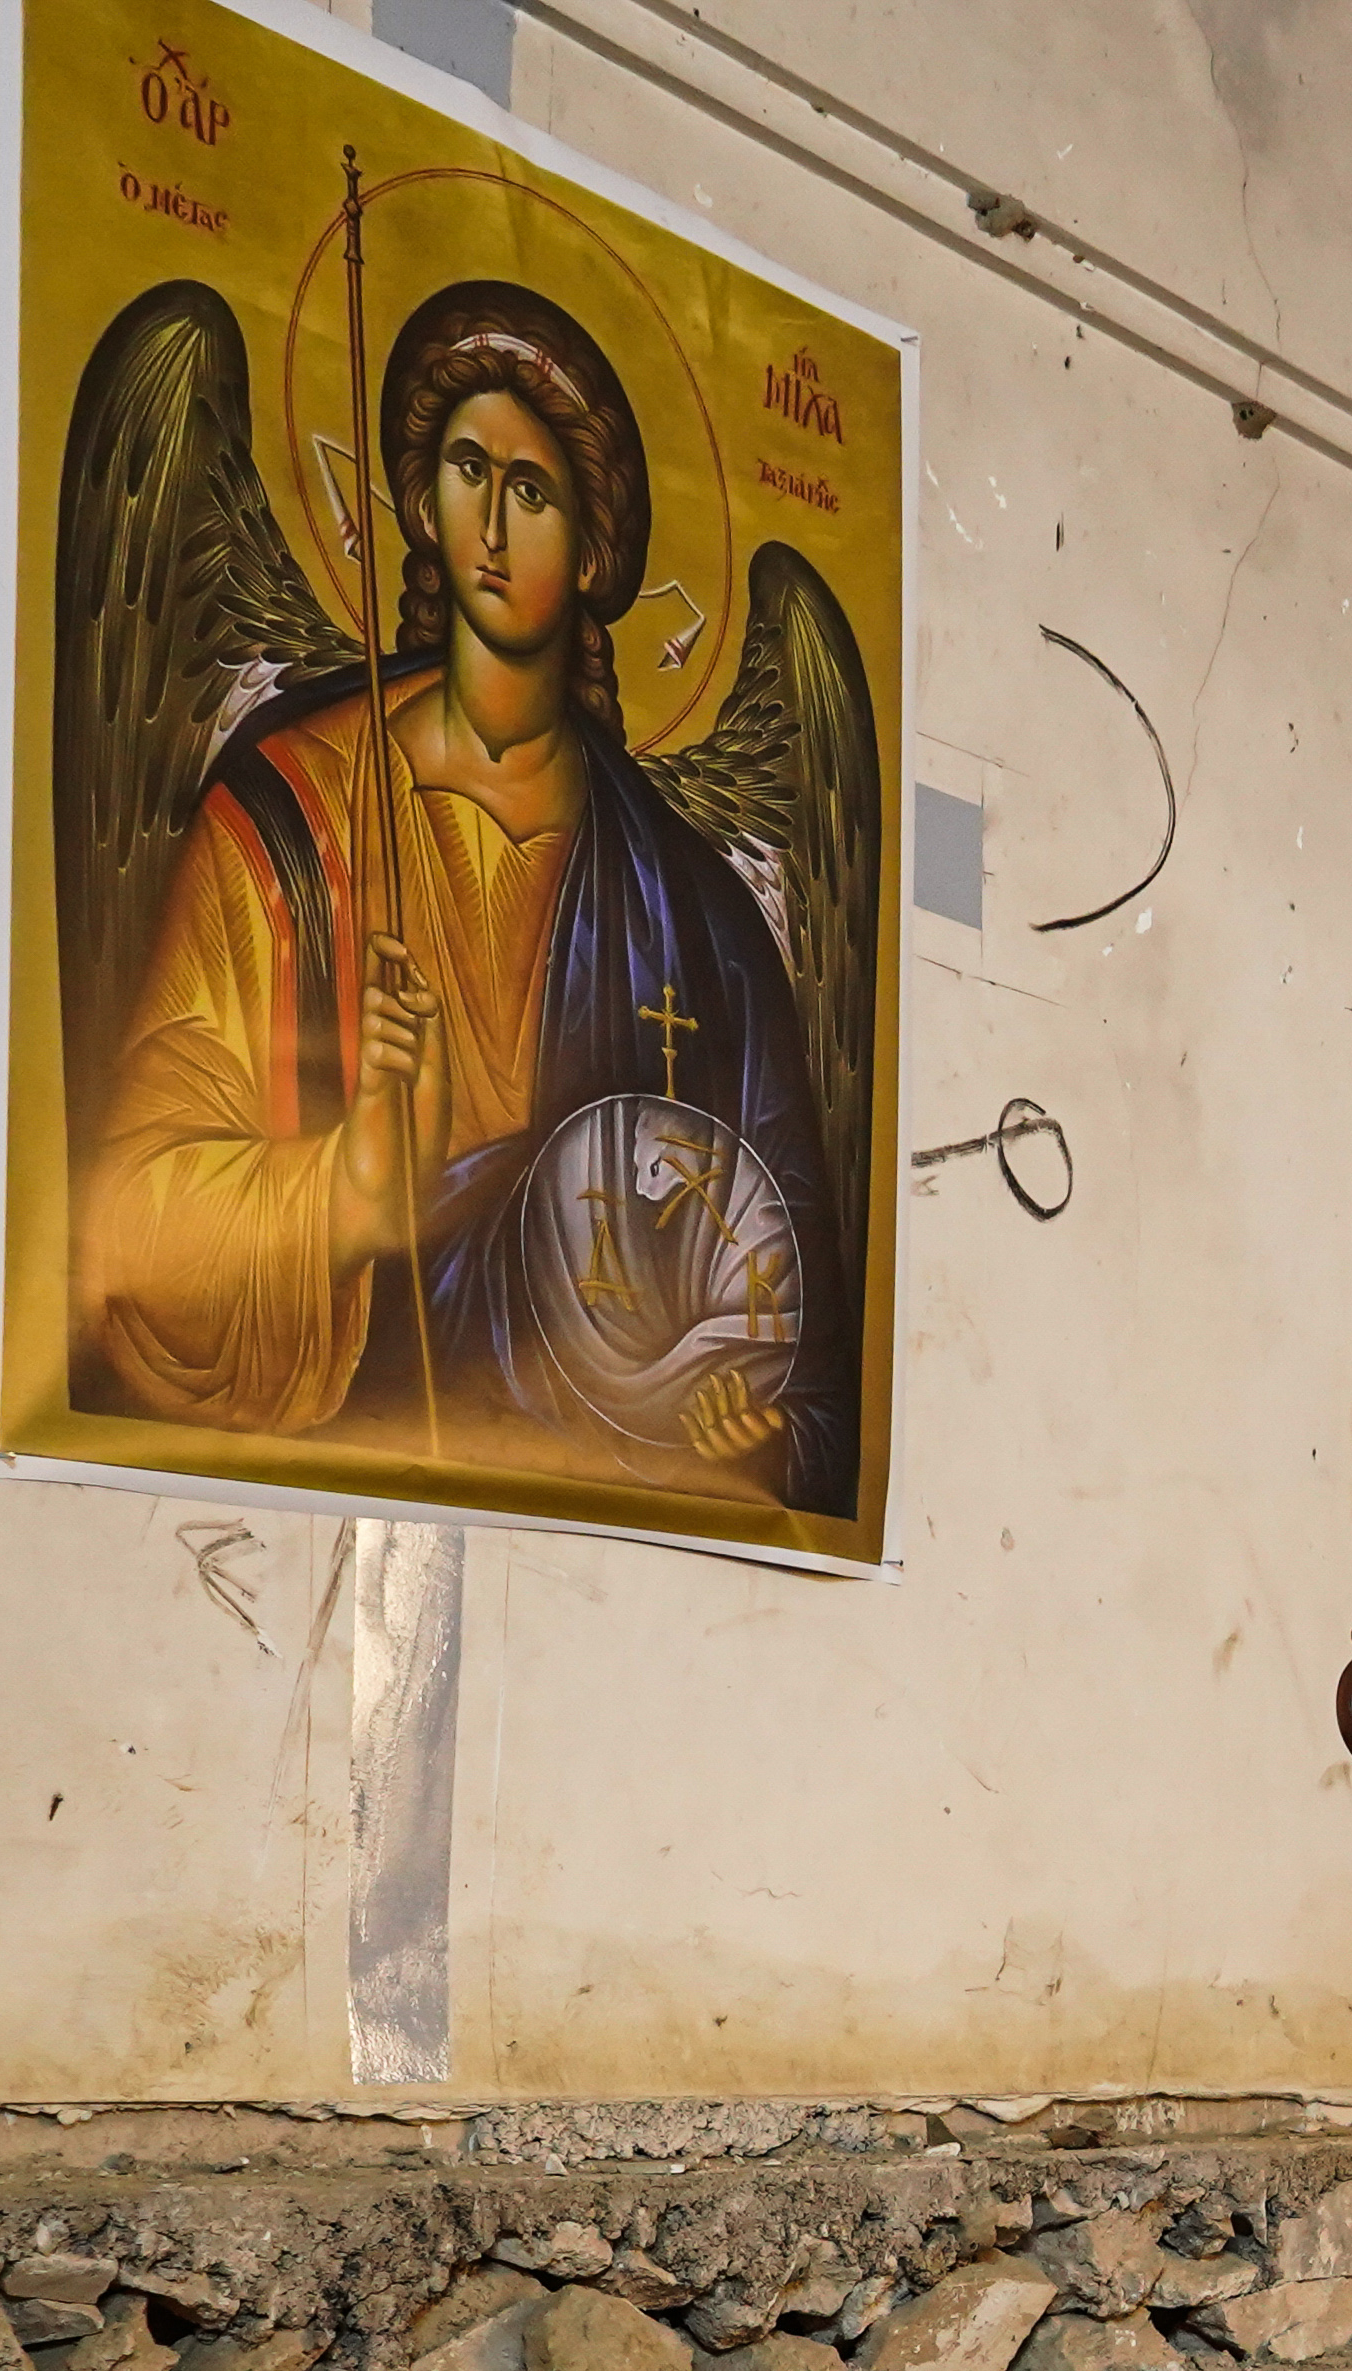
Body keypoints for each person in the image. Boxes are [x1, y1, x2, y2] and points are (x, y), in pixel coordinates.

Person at [78, 278, 846, 1497]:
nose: (492, 524)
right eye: (466, 470)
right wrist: (349, 1182)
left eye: (531, 490)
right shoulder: (290, 813)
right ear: (420, 506)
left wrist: (744, 1413)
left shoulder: (697, 911)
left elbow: (791, 1291)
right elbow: (122, 1225)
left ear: (594, 549)